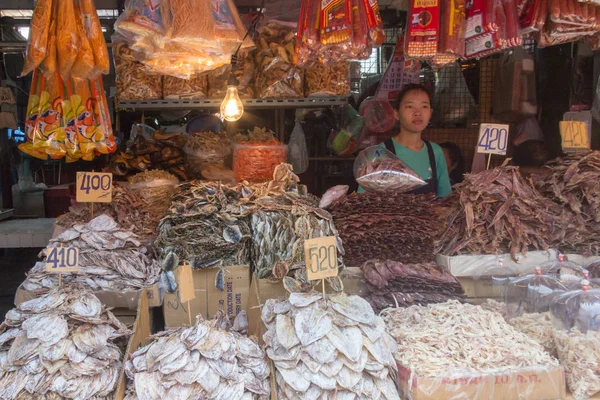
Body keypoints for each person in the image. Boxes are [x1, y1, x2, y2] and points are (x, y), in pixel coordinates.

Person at [358, 84, 452, 197]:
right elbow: (362, 200)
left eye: (424, 106)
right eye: (409, 106)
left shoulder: (435, 152)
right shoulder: (379, 153)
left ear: (430, 113)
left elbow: (445, 198)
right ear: (396, 114)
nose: (418, 112)